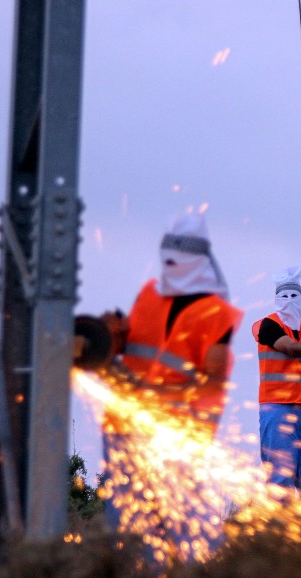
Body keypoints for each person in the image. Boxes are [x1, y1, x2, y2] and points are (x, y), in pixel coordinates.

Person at [99, 210, 243, 558]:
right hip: (124, 427)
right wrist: (107, 337)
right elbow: (130, 344)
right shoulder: (149, 293)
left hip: (178, 438)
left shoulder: (216, 313)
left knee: (186, 527)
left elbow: (212, 387)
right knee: (128, 527)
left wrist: (191, 434)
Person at [252, 266, 301, 497]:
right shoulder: (268, 325)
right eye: (284, 296)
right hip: (277, 408)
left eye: (294, 295)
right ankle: (279, 529)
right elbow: (291, 348)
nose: (289, 301)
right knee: (280, 476)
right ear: (276, 298)